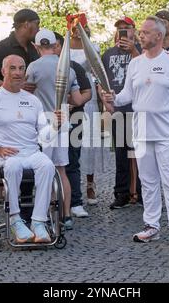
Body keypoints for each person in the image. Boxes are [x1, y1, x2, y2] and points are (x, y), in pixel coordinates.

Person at [102, 16, 169, 247]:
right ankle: (151, 226)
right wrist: (112, 97)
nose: (139, 36)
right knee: (148, 181)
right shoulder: (135, 63)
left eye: (144, 32)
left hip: (168, 132)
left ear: (159, 35)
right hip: (142, 131)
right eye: (140, 33)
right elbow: (126, 96)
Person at [0, 54, 64, 243]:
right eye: (12, 68)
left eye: (21, 68)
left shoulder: (33, 101)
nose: (17, 72)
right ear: (3, 71)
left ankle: (38, 221)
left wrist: (55, 126)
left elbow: (43, 135)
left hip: (31, 151)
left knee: (47, 165)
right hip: (6, 155)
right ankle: (15, 219)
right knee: (13, 166)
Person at [26, 29, 90, 225]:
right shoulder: (68, 69)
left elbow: (26, 94)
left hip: (42, 124)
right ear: (55, 46)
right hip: (63, 122)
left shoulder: (33, 67)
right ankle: (66, 215)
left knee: (42, 170)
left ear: (36, 47)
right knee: (62, 170)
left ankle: (43, 214)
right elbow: (79, 99)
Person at [69, 17, 111, 216]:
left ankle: (90, 183)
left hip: (89, 96)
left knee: (89, 143)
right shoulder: (64, 47)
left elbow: (97, 71)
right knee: (71, 140)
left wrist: (104, 95)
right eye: (74, 28)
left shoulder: (92, 46)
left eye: (81, 28)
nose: (78, 31)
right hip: (70, 95)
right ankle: (71, 185)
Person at [101, 16, 142, 209]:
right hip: (118, 108)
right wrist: (105, 102)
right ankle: (122, 193)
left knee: (142, 152)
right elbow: (102, 80)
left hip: (139, 108)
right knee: (121, 153)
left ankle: (143, 193)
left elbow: (144, 68)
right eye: (120, 28)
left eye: (127, 28)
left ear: (134, 30)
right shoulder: (108, 54)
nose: (123, 31)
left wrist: (133, 49)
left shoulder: (142, 51)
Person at [53, 32, 92, 228]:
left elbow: (87, 93)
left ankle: (75, 202)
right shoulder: (37, 65)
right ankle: (52, 201)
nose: (54, 49)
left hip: (74, 117)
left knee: (72, 159)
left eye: (57, 46)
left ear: (61, 46)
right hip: (48, 119)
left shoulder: (74, 67)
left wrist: (73, 101)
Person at [0, 9, 40, 92]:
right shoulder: (2, 48)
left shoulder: (34, 48)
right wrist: (13, 86)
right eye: (37, 24)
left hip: (31, 102)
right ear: (26, 24)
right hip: (9, 102)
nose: (38, 29)